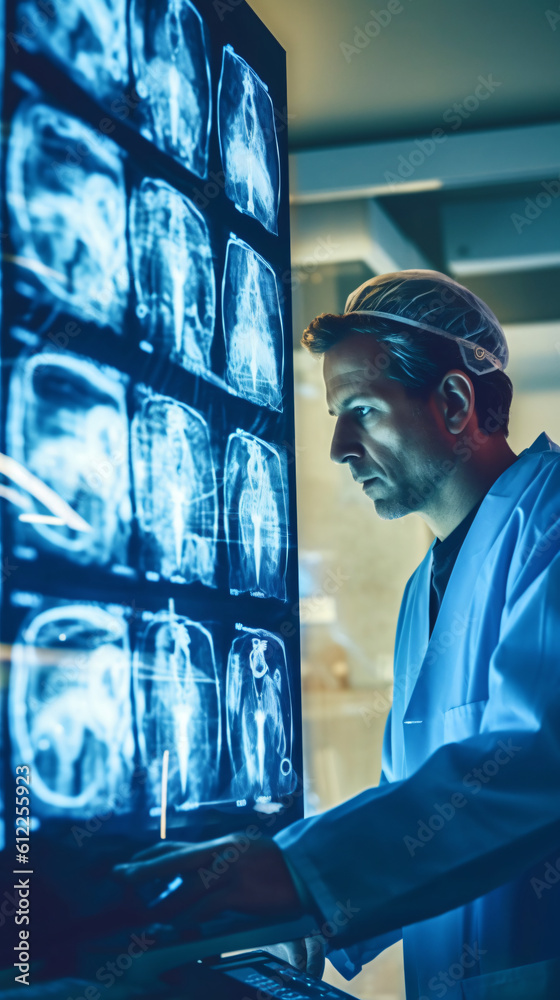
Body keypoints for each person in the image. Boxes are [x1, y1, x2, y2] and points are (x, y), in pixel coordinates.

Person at [115, 271, 560, 998]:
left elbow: (535, 759)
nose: (340, 448)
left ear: (454, 403)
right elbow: (421, 798)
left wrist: (299, 871)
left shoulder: (551, 524)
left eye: (362, 411)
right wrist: (317, 914)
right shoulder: (427, 585)